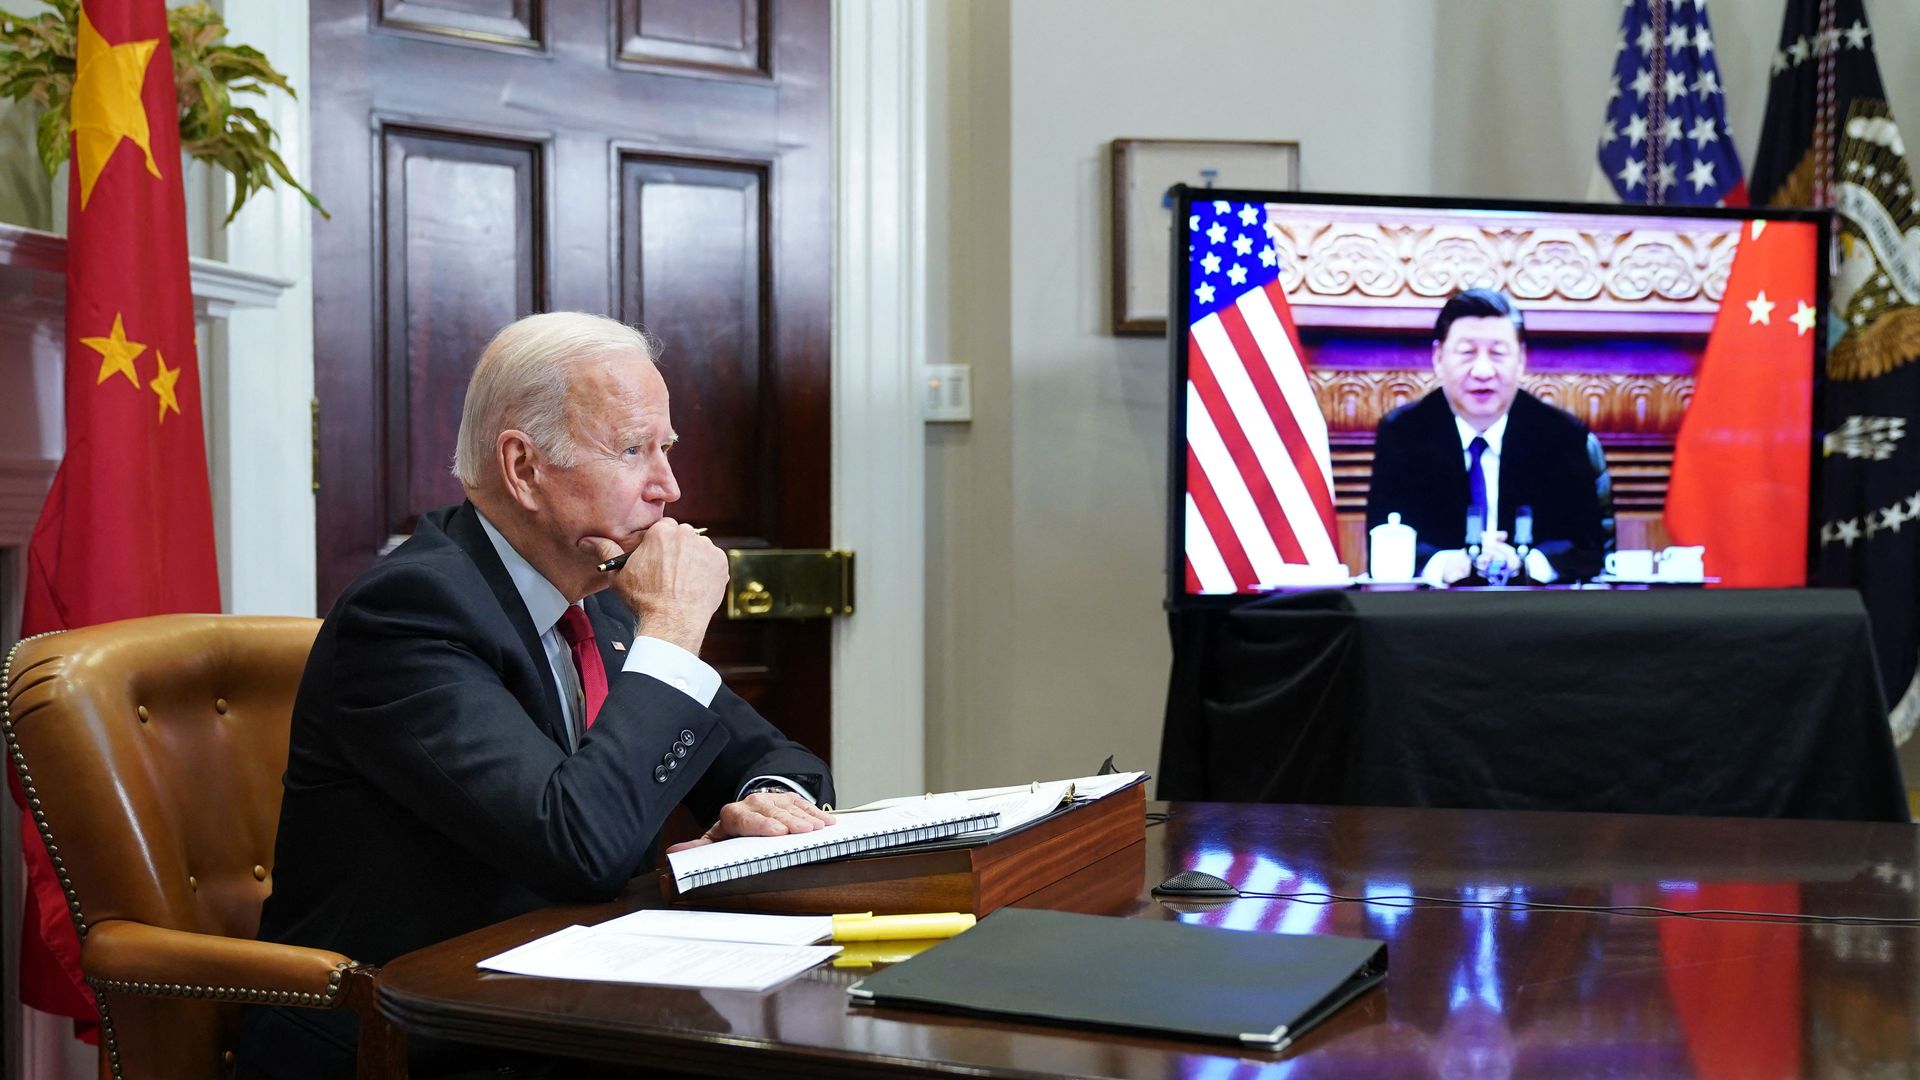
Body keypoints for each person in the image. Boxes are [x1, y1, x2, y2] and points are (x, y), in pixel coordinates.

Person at [240, 312, 834, 1078]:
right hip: (413, 1041)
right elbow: (577, 847)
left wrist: (767, 803)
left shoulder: (605, 597)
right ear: (523, 468)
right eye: (632, 450)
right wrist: (679, 622)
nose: (670, 487)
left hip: (573, 1010)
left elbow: (784, 760)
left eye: (665, 449)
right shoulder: (409, 615)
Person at [1365, 288, 1612, 585]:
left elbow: (1587, 548)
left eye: (1497, 353)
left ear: (1521, 360)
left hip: (1539, 615)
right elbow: (1385, 541)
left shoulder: (1561, 435)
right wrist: (1445, 564)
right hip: (1435, 615)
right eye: (1467, 353)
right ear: (1438, 357)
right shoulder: (1404, 434)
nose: (1483, 371)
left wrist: (1525, 564)